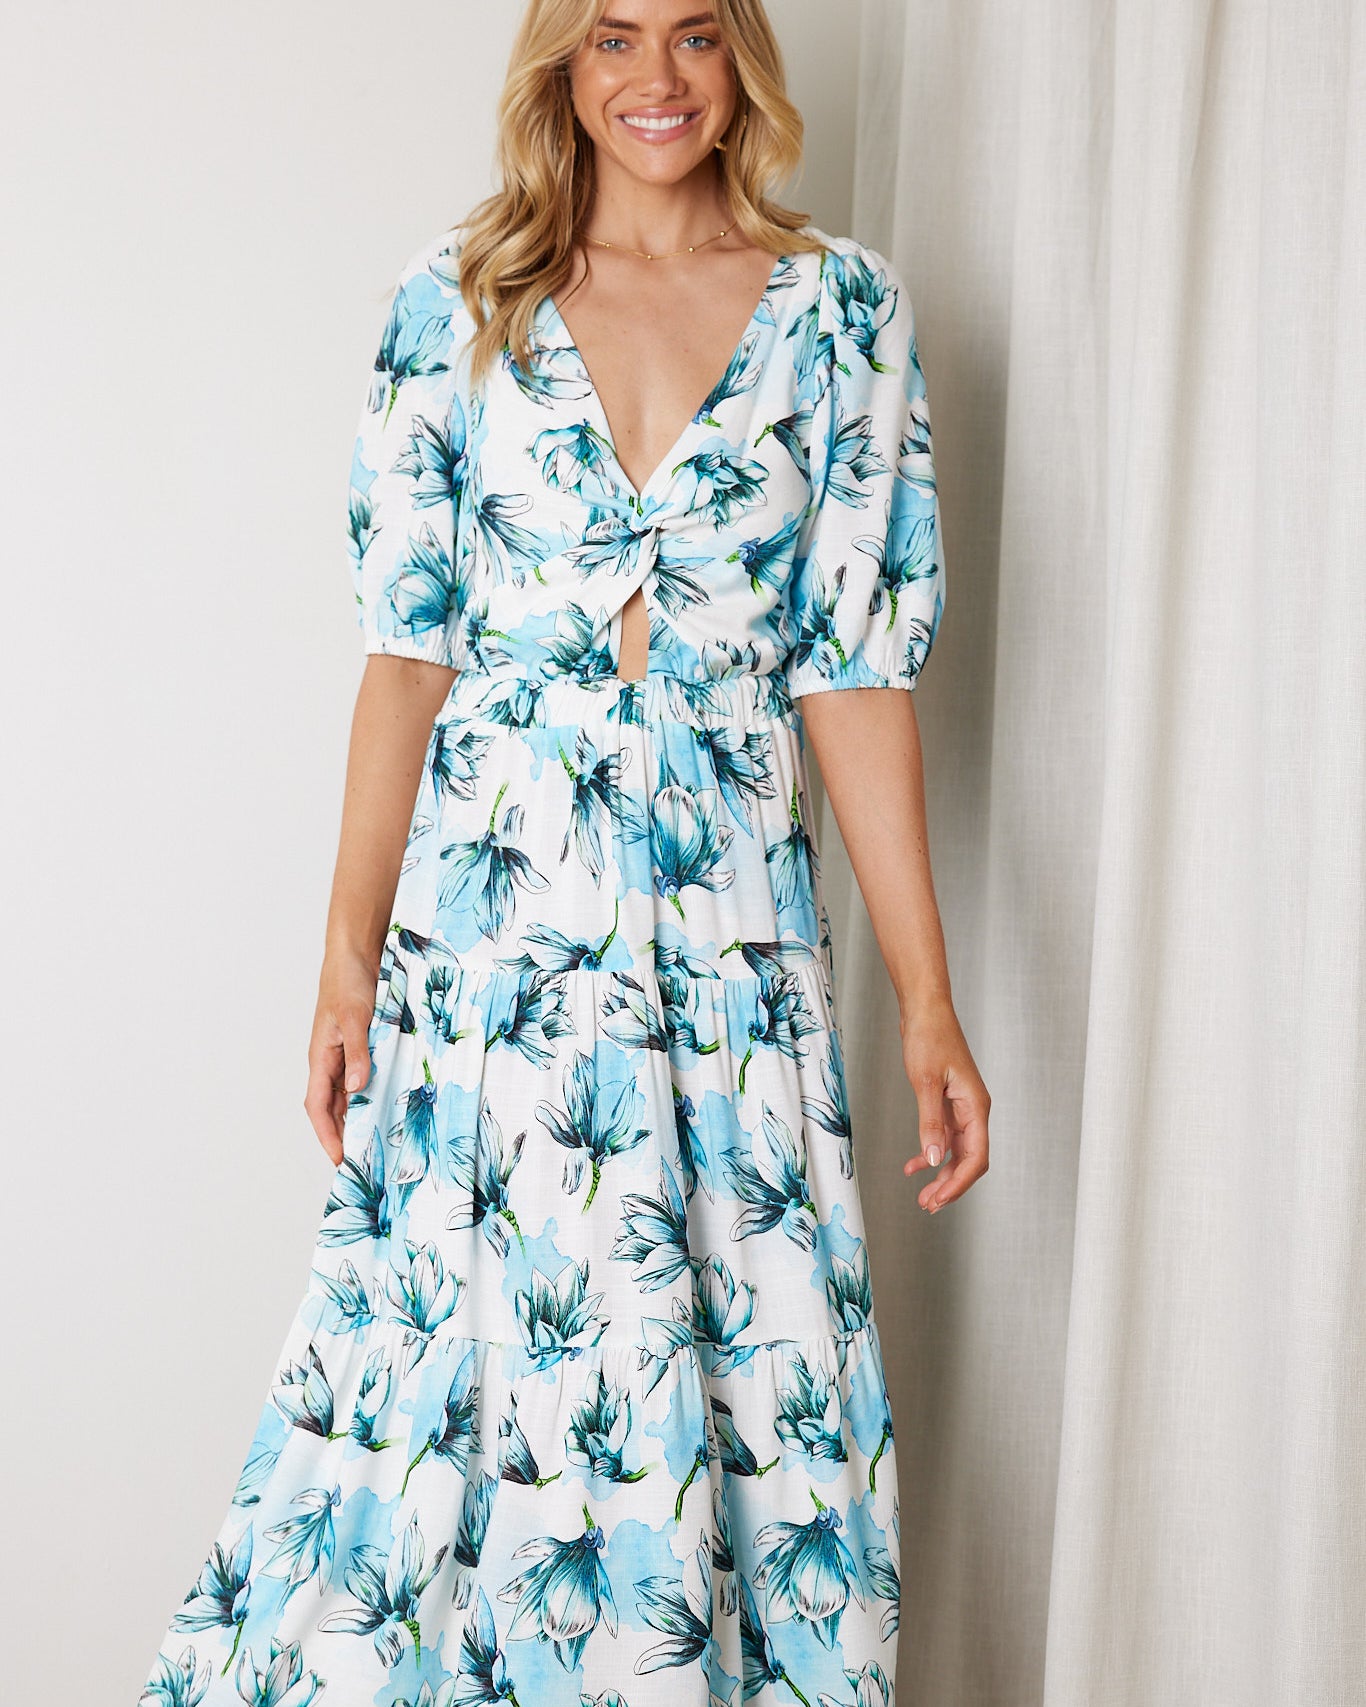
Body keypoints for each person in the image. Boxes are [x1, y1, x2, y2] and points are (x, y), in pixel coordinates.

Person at [138, 1, 990, 1702]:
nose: (654, 80)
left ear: (743, 56)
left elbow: (851, 670)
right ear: (561, 68)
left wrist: (925, 1003)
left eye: (691, 33)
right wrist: (343, 959)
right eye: (609, 37)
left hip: (731, 918)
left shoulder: (840, 314)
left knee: (738, 1340)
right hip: (496, 921)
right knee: (469, 1339)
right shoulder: (458, 301)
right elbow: (406, 652)